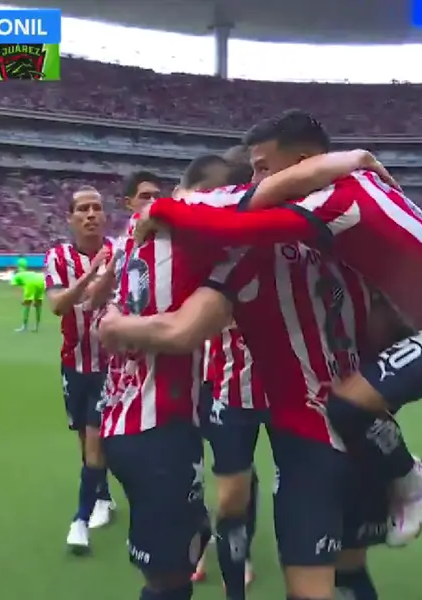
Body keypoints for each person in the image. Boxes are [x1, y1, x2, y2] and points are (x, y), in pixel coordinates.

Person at [136, 110, 422, 547]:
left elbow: (234, 223)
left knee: (348, 407)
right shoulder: (351, 184)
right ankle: (373, 509)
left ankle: (410, 479)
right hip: (410, 321)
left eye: (264, 167)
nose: (257, 178)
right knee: (348, 410)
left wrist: (162, 210)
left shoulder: (336, 203)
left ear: (303, 160)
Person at [101, 171, 406, 600]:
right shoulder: (216, 238)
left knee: (337, 543)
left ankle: (401, 476)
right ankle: (234, 583)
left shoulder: (287, 235)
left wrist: (116, 321)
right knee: (232, 501)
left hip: (302, 393)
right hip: (232, 386)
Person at [94, 160, 257, 600]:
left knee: (185, 547)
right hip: (158, 427)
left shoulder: (134, 229)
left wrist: (113, 322)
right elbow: (181, 333)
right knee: (169, 582)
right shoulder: (193, 238)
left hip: (125, 420)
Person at [42, 186, 117, 552]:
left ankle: (81, 519)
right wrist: (91, 272)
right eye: (82, 209)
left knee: (95, 443)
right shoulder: (57, 257)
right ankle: (103, 495)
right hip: (74, 364)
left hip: (112, 366)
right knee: (84, 441)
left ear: (105, 216)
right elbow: (58, 305)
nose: (90, 214)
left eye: (96, 208)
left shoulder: (121, 252)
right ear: (71, 219)